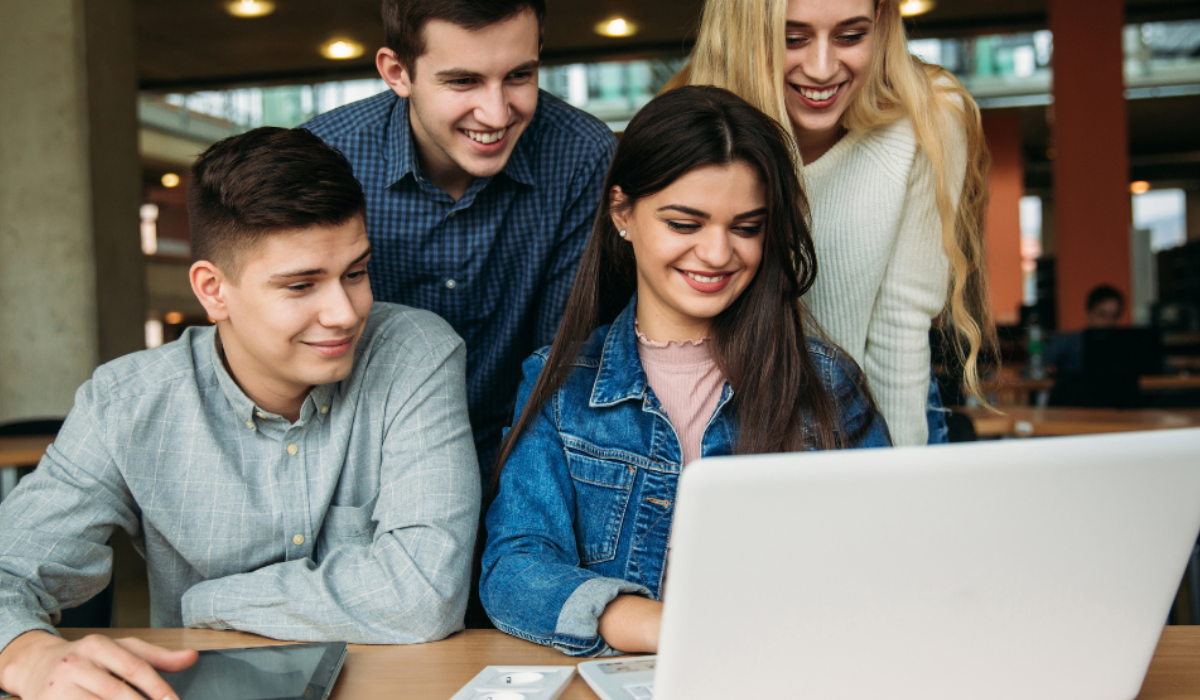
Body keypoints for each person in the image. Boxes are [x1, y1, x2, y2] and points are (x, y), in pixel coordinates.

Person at [0, 128, 481, 700]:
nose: (345, 312)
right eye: (300, 285)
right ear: (213, 291)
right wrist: (26, 653)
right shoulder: (125, 402)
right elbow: (11, 566)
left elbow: (425, 592)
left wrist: (206, 601)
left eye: (355, 272)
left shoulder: (415, 354)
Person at [480, 86, 891, 657]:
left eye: (746, 227)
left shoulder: (826, 385)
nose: (719, 253)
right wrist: (659, 626)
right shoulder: (560, 383)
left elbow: (886, 564)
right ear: (622, 212)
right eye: (685, 223)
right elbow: (514, 569)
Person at [303, 0, 618, 476]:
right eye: (463, 81)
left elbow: (564, 363)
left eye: (519, 76)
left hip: (524, 462)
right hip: (360, 467)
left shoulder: (583, 156)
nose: (495, 114)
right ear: (397, 72)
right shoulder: (323, 157)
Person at [669, 0, 994, 446]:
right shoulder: (696, 119)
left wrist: (892, 483)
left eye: (850, 36)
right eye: (793, 39)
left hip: (879, 422)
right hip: (736, 429)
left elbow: (900, 328)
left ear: (880, 22)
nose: (822, 69)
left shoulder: (929, 114)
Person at [1044, 284, 1126, 377]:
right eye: (1102, 315)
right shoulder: (1070, 341)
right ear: (1089, 313)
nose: (1109, 321)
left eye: (1114, 315)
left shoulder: (1125, 345)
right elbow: (1037, 368)